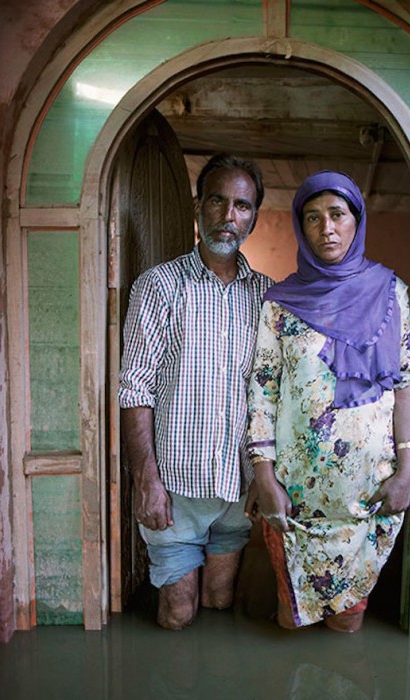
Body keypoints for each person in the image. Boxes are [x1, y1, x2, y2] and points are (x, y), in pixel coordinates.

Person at [246, 170, 410, 633]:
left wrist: (407, 471)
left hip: (366, 496)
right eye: (313, 217)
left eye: (337, 215)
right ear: (301, 228)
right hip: (294, 496)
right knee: (290, 618)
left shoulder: (390, 294)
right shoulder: (279, 305)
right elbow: (262, 388)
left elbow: (404, 383)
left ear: (356, 221)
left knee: (346, 624)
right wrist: (263, 476)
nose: (327, 228)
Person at [118, 154, 273, 630]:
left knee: (221, 601)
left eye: (242, 206)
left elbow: (277, 394)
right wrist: (145, 478)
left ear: (253, 217)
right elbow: (134, 386)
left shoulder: (269, 296)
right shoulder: (159, 286)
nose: (229, 216)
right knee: (178, 613)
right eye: (218, 201)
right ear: (197, 207)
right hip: (175, 484)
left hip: (239, 486)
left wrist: (266, 480)